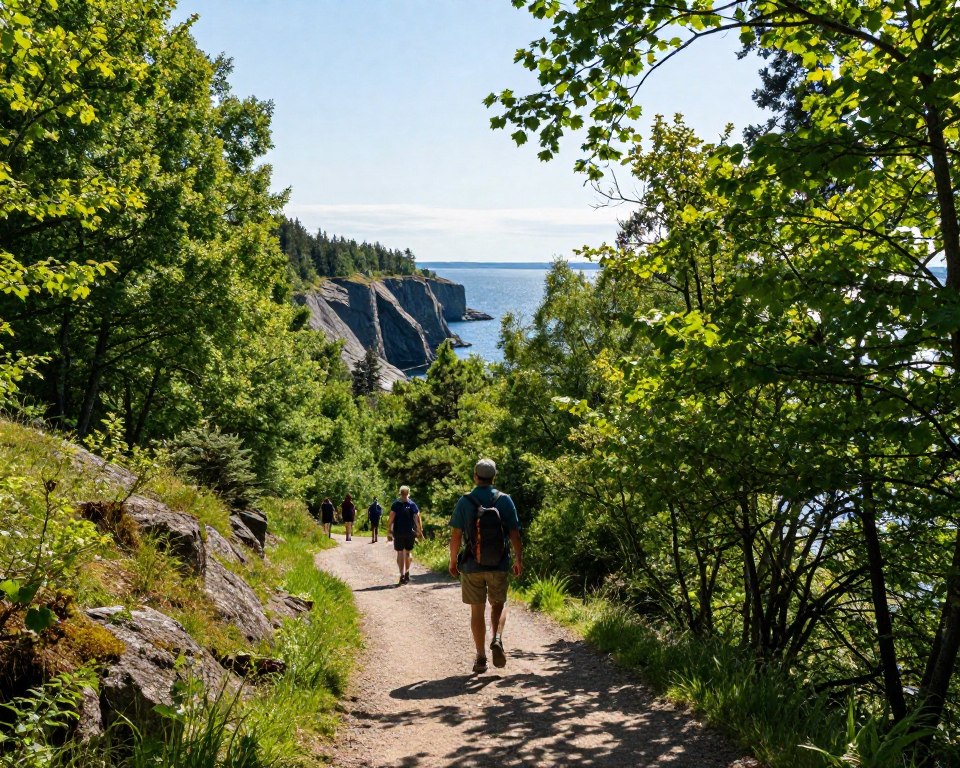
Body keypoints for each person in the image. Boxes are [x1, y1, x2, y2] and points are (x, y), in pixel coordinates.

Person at [449, 458, 522, 674]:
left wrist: (453, 561)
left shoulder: (465, 501)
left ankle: (481, 657)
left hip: (472, 565)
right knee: (499, 604)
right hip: (499, 564)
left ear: (475, 476)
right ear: (494, 477)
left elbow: (456, 535)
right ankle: (497, 638)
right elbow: (514, 533)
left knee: (477, 610)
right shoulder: (505, 500)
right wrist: (518, 559)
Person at [388, 485, 423, 586]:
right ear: (409, 493)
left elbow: (391, 519)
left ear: (400, 493)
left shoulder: (396, 504)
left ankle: (402, 574)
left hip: (398, 532)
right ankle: (407, 571)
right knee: (408, 552)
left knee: (400, 553)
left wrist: (389, 531)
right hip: (410, 533)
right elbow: (417, 519)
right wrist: (419, 531)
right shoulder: (412, 504)